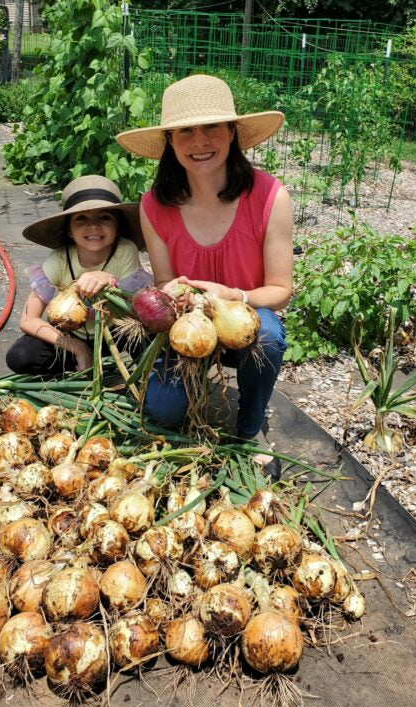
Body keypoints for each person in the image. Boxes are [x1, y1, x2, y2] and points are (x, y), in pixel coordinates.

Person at [116, 74, 293, 478]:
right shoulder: (154, 205)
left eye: (212, 126)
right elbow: (164, 283)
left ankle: (249, 431)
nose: (200, 142)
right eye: (185, 131)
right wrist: (173, 290)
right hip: (187, 325)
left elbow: (281, 291)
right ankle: (184, 389)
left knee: (268, 333)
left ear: (232, 133)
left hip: (245, 324)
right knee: (161, 411)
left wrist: (233, 294)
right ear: (170, 142)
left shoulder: (269, 197)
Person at [6, 175, 151, 376]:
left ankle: (114, 368)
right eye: (82, 218)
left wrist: (109, 281)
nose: (94, 226)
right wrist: (76, 347)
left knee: (153, 340)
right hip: (72, 336)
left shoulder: (125, 250)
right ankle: (83, 362)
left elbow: (135, 308)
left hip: (114, 334)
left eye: (105, 217)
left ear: (118, 228)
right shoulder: (58, 260)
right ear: (69, 231)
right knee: (20, 356)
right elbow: (28, 320)